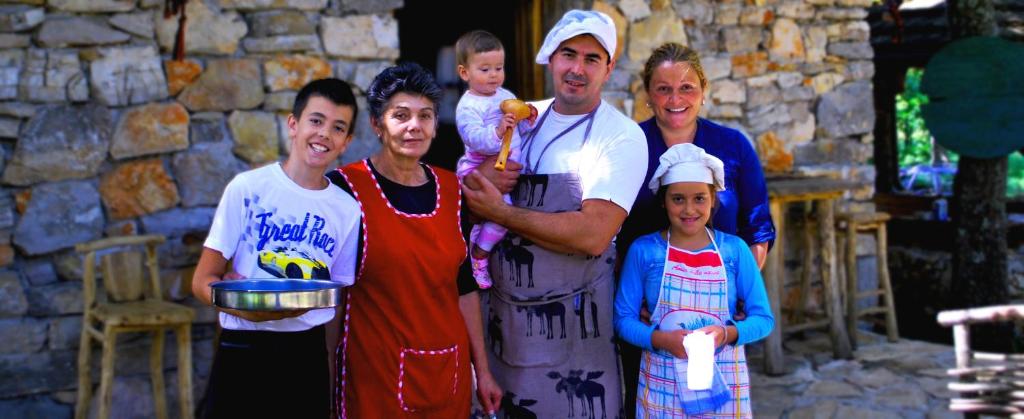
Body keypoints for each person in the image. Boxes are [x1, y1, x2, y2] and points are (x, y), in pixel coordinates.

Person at [462, 10, 647, 417]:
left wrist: (501, 211)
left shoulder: (620, 136)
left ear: (610, 67)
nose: (577, 69)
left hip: (577, 332)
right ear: (551, 58)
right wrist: (478, 185)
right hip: (503, 324)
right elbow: (470, 196)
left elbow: (592, 235)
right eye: (568, 54)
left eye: (592, 58)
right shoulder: (519, 119)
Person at [330, 62, 501, 418]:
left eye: (425, 116)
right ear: (377, 125)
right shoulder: (345, 189)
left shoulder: (453, 189)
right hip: (372, 376)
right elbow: (332, 297)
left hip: (446, 373)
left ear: (436, 126)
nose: (415, 126)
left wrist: (482, 372)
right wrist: (327, 379)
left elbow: (464, 285)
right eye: (401, 115)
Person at [616, 43, 777, 415]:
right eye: (664, 88)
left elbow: (757, 228)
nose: (676, 98)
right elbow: (612, 228)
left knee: (712, 402)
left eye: (687, 87)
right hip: (647, 316)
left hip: (715, 319)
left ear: (703, 91)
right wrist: (644, 314)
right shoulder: (628, 146)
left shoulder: (733, 145)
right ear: (649, 95)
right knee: (651, 402)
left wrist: (734, 303)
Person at [191, 78, 361, 419]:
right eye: (316, 121)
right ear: (294, 125)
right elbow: (200, 281)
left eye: (337, 127)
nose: (324, 134)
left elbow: (335, 302)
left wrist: (328, 379)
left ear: (346, 142)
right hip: (244, 347)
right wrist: (242, 309)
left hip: (306, 353)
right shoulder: (248, 189)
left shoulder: (347, 209)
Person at [454, 29, 536, 289]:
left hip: (507, 167)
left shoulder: (505, 96)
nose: (494, 75)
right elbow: (474, 138)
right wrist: (498, 131)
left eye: (498, 68)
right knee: (500, 217)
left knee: (500, 218)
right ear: (464, 73)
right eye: (485, 69)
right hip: (479, 167)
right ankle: (479, 255)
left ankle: (480, 241)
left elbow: (520, 131)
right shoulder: (468, 107)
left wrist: (529, 118)